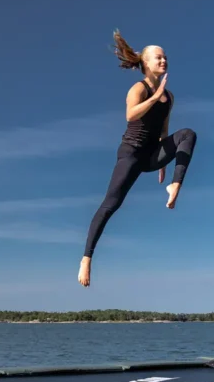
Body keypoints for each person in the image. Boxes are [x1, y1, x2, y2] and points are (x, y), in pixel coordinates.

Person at [78, 30, 197, 287]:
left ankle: (175, 185)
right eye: (158, 57)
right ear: (145, 63)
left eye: (165, 57)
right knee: (111, 204)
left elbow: (164, 129)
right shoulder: (139, 88)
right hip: (130, 154)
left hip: (152, 154)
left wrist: (164, 156)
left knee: (187, 134)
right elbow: (131, 116)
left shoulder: (170, 96)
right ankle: (86, 258)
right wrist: (154, 97)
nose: (163, 61)